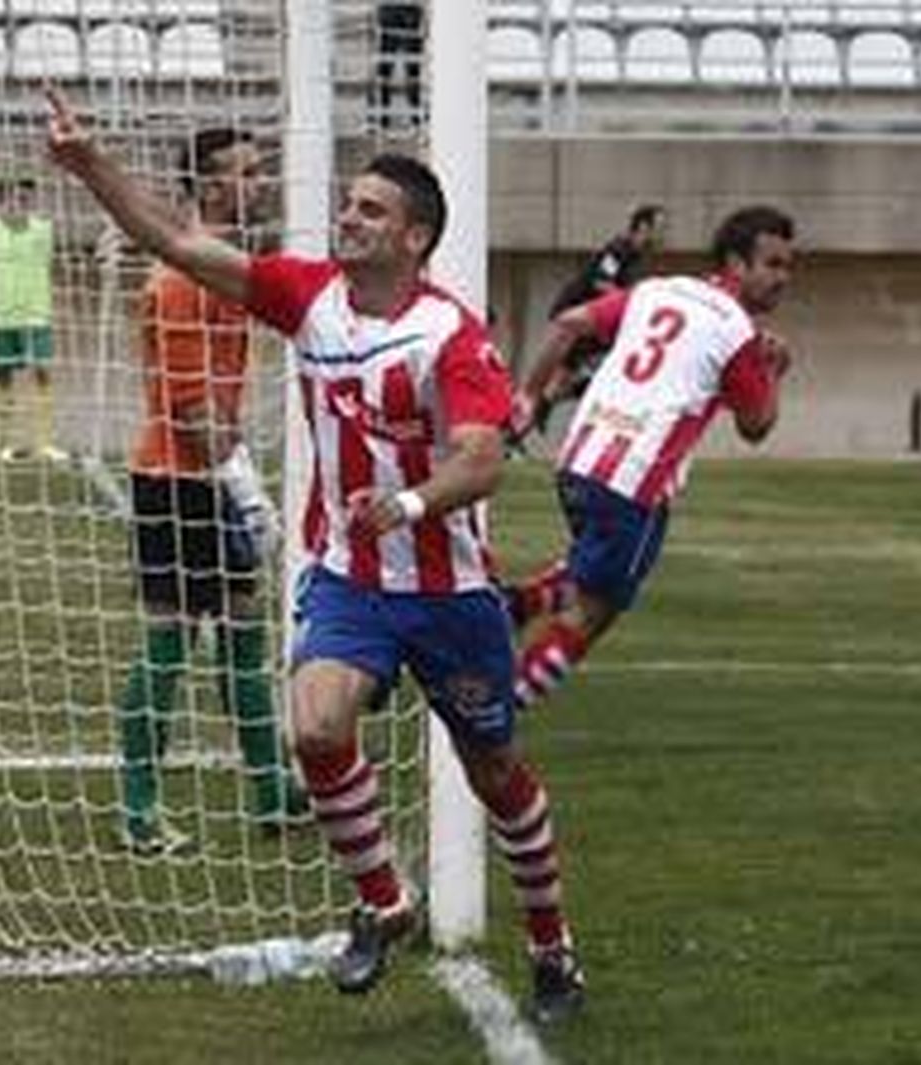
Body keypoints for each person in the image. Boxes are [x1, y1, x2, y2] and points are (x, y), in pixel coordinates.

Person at [44, 86, 586, 1023]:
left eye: (372, 209)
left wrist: (410, 501)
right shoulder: (308, 297)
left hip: (451, 592)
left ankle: (552, 946)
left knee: (495, 770)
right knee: (318, 725)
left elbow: (484, 457)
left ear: (415, 238)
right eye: (349, 202)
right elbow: (178, 242)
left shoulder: (450, 334)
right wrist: (90, 162)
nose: (348, 214)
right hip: (348, 578)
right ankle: (385, 902)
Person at [505, 206, 795, 712]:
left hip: (578, 462)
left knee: (588, 574)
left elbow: (571, 322)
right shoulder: (736, 331)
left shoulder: (659, 290)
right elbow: (756, 427)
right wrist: (773, 371)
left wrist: (528, 396)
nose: (782, 279)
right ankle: (498, 715)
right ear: (735, 263)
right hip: (634, 482)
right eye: (772, 264)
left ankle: (513, 606)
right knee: (596, 612)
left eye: (787, 267)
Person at [118, 126, 304, 855]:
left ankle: (271, 789)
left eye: (259, 172)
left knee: (241, 628)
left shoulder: (228, 268)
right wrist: (249, 491)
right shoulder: (183, 275)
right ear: (206, 184)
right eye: (244, 173)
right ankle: (137, 809)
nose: (257, 184)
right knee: (172, 634)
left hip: (211, 474)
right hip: (177, 477)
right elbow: (193, 410)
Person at [520, 204, 668, 439]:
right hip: (579, 319)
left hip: (595, 326)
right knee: (587, 375)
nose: (664, 233)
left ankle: (533, 417)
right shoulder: (618, 249)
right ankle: (532, 414)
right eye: (660, 226)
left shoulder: (637, 256)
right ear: (643, 226)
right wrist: (631, 301)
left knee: (568, 381)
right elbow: (601, 283)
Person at [0, 176, 62, 462]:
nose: (19, 205)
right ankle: (2, 444)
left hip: (36, 315)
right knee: (2, 377)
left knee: (43, 373)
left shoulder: (43, 231)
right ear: (1, 202)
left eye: (26, 200)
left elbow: (51, 268)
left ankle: (44, 444)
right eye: (13, 199)